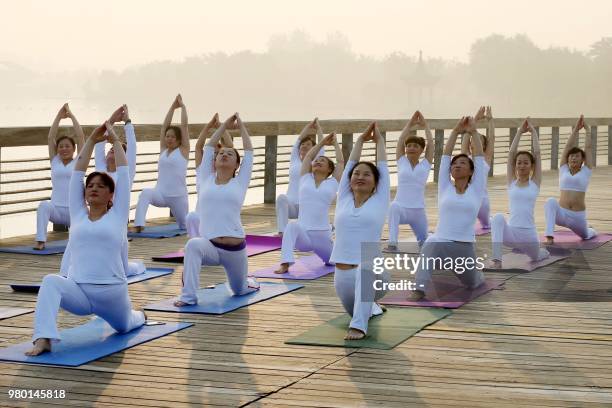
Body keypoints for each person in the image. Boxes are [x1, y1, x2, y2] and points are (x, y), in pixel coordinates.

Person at [25, 121, 146, 356]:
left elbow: (123, 170)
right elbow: (77, 174)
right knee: (50, 281)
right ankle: (43, 338)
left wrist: (113, 138)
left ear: (112, 194)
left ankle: (140, 315)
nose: (94, 188)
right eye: (90, 186)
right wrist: (91, 141)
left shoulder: (118, 215)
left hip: (112, 295)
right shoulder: (78, 214)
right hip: (80, 291)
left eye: (101, 186)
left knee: (127, 325)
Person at [174, 113, 258, 306]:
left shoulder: (240, 182)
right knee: (193, 245)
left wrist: (241, 126)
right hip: (210, 247)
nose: (224, 154)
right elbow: (209, 146)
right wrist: (223, 126)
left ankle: (249, 281)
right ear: (214, 160)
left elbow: (249, 151)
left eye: (230, 154)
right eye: (221, 153)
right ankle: (188, 297)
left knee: (239, 291)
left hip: (235, 250)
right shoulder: (206, 178)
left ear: (237, 165)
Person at [60, 105, 145, 277]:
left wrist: (127, 122)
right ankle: (64, 276)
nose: (112, 151)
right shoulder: (100, 169)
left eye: (116, 150)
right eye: (111, 149)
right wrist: (110, 121)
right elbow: (98, 144)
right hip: (91, 218)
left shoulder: (126, 173)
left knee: (124, 269)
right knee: (73, 243)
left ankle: (139, 266)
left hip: (115, 222)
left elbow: (133, 147)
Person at [412, 117, 487, 300]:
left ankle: (477, 275)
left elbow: (478, 157)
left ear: (471, 171)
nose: (456, 166)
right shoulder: (444, 187)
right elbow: (445, 157)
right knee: (430, 242)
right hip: (441, 242)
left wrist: (474, 132)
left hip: (464, 247)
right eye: (454, 164)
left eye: (462, 163)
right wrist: (455, 131)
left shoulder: (476, 189)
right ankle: (419, 289)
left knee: (473, 283)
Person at [330, 122, 390, 340]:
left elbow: (383, 167)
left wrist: (380, 141)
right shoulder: (344, 198)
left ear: (375, 183)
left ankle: (359, 327)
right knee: (355, 307)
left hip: (374, 273)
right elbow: (348, 167)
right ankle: (371, 307)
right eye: (357, 174)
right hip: (343, 274)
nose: (360, 177)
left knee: (366, 267)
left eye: (367, 174)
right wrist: (360, 141)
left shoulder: (380, 200)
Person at [275, 131, 344, 274]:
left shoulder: (333, 182)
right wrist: (322, 143)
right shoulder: (305, 178)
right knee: (291, 226)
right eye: (317, 161)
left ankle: (334, 249)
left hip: (323, 237)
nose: (317, 162)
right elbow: (308, 157)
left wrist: (336, 144)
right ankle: (285, 263)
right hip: (304, 235)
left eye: (322, 161)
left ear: (330, 169)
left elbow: (341, 162)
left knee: (334, 263)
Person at [491, 118, 549, 268]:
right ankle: (497, 260)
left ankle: (543, 252)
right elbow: (511, 154)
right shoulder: (512, 182)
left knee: (537, 257)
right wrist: (519, 132)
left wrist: (533, 132)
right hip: (512, 233)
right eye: (519, 163)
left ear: (531, 166)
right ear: (515, 166)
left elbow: (537, 153)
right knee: (497, 218)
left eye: (526, 162)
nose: (522, 165)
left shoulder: (534, 183)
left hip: (529, 235)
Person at [133, 94, 189, 232]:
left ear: (179, 139)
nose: (169, 139)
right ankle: (139, 225)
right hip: (161, 194)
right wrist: (172, 107)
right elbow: (164, 127)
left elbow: (184, 126)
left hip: (178, 197)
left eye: (172, 137)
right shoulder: (163, 150)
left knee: (185, 226)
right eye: (167, 136)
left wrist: (182, 107)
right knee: (145, 193)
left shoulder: (183, 150)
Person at [34, 103, 85, 250]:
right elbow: (50, 138)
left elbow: (81, 137)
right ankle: (40, 241)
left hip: (74, 212)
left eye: (67, 146)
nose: (64, 149)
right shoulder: (55, 161)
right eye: (61, 146)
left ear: (74, 149)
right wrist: (59, 116)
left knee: (79, 241)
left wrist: (71, 115)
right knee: (43, 205)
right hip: (56, 209)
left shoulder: (79, 162)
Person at [544, 115, 597, 243]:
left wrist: (587, 130)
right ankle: (549, 236)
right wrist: (575, 130)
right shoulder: (563, 169)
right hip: (562, 214)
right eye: (571, 156)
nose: (573, 158)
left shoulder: (586, 170)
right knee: (550, 202)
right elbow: (567, 147)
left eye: (577, 156)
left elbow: (588, 149)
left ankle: (590, 229)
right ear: (568, 159)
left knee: (586, 235)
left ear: (582, 160)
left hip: (577, 217)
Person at [387, 111, 434, 249]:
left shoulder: (425, 164)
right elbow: (401, 140)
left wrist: (425, 126)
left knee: (425, 243)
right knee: (393, 207)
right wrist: (410, 124)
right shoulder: (401, 161)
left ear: (421, 150)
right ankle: (392, 244)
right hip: (401, 209)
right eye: (409, 146)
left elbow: (430, 143)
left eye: (415, 146)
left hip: (418, 211)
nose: (411, 148)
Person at [185, 113, 234, 238]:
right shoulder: (202, 170)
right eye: (213, 154)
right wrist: (209, 126)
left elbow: (229, 146)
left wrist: (221, 127)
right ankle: (195, 243)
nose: (215, 156)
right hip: (201, 218)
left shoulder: (224, 172)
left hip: (219, 219)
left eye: (218, 154)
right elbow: (198, 147)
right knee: (191, 216)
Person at [276, 118, 324, 235]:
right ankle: (282, 232)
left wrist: (318, 128)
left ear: (314, 149)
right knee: (281, 198)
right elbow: (297, 142)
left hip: (307, 207)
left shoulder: (316, 162)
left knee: (306, 230)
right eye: (303, 144)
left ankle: (313, 228)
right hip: (291, 205)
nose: (304, 146)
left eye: (308, 144)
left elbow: (322, 145)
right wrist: (308, 126)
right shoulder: (295, 161)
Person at [461, 106, 495, 230]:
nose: (475, 141)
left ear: (484, 145)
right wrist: (475, 119)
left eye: (480, 140)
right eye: (474, 140)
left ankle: (490, 219)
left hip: (483, 201)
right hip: (467, 200)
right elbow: (466, 136)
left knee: (487, 225)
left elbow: (492, 138)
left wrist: (490, 121)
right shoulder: (466, 157)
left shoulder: (486, 159)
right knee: (462, 225)